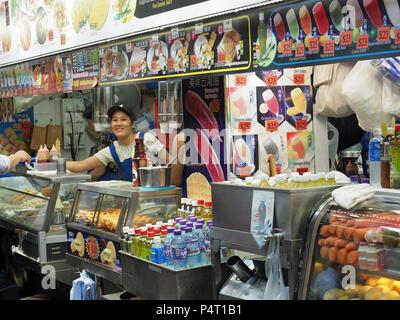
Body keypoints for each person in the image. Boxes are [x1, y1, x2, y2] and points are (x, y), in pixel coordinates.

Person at [67, 104, 184, 186]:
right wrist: (55, 162)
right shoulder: (112, 150)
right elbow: (80, 165)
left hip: (155, 197)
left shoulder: (146, 139)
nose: (118, 124)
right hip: (135, 201)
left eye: (123, 119)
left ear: (132, 124)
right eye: (115, 120)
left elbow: (171, 166)